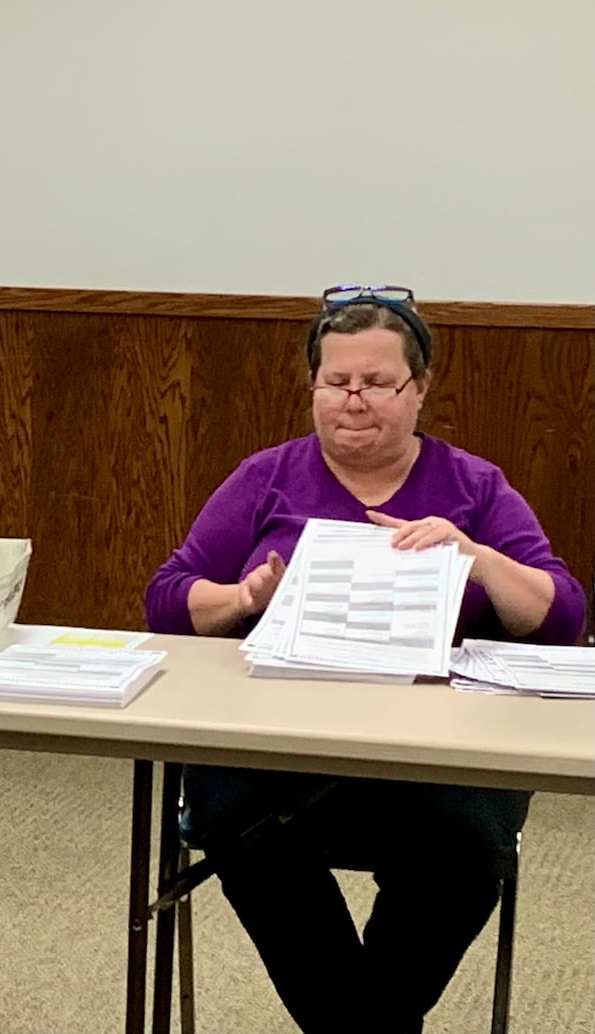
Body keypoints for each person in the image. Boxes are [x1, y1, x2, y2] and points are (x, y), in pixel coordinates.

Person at [143, 284, 586, 1034]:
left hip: (432, 752)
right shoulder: (267, 477)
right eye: (336, 382)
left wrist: (474, 556)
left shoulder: (472, 485)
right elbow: (166, 598)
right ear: (312, 387)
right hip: (278, 742)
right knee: (236, 823)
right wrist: (245, 596)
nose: (355, 400)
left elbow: (564, 615)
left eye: (378, 383)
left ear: (419, 391)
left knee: (470, 848)